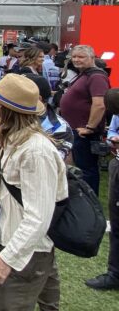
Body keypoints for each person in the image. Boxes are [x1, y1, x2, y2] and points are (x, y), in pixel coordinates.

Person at [0, 74, 67, 311]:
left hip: (25, 253)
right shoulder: (13, 140)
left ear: (3, 108)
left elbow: (38, 217)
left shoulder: (35, 151)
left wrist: (7, 258)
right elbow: (2, 183)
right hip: (8, 240)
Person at [59, 44, 110, 195]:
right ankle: (83, 198)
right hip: (76, 130)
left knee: (87, 170)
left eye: (81, 57)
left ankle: (89, 200)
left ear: (92, 58)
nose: (76, 60)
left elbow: (100, 104)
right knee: (80, 168)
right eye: (74, 57)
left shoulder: (97, 76)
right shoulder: (85, 74)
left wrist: (90, 127)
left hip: (85, 133)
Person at [85, 87, 119, 290]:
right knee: (117, 223)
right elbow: (113, 128)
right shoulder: (116, 103)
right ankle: (115, 274)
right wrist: (113, 138)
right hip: (117, 163)